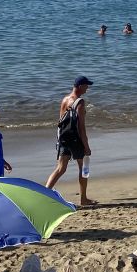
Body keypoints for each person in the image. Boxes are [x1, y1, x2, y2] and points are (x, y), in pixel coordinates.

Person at [46, 77, 96, 206]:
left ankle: (44, 194)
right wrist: (86, 145)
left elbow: (61, 121)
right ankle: (83, 199)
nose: (87, 88)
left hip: (63, 137)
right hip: (75, 139)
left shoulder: (65, 99)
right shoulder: (80, 102)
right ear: (79, 86)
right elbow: (81, 127)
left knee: (60, 168)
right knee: (83, 167)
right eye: (86, 86)